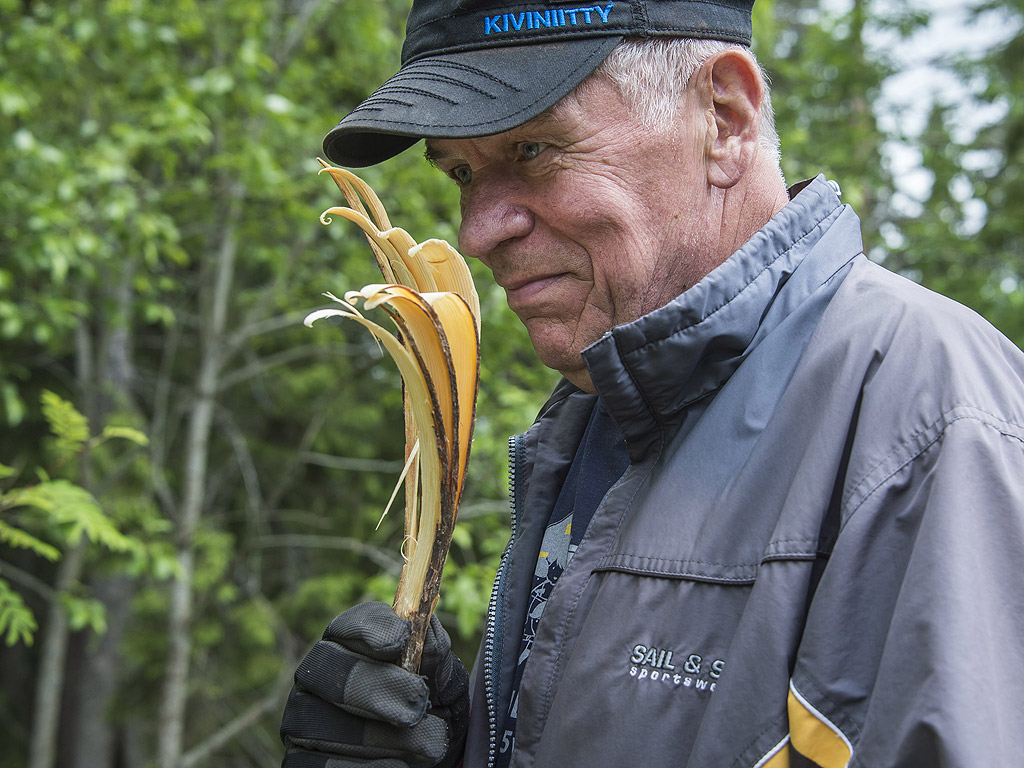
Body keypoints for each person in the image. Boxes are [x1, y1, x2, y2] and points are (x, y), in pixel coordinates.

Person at [280, 0, 1024, 766]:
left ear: (724, 118)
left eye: (534, 148)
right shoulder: (602, 416)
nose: (476, 230)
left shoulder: (923, 413)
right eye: (464, 173)